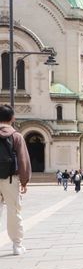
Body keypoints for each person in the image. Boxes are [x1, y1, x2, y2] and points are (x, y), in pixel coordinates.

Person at [0, 105, 31, 255]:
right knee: (14, 210)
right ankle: (17, 245)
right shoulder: (16, 136)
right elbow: (23, 160)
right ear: (12, 118)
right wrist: (24, 181)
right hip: (10, 179)